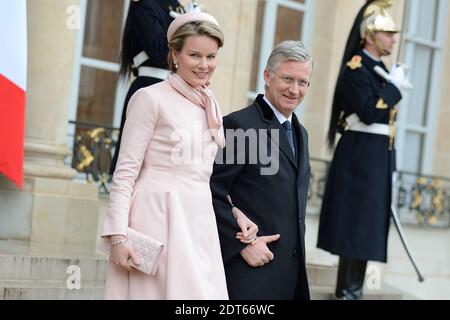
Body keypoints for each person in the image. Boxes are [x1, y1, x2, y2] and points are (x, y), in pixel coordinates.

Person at [100, 11, 256, 300]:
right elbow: (125, 172)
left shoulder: (209, 103)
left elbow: (202, 173)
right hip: (157, 216)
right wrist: (118, 236)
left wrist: (235, 211)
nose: (204, 65)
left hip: (200, 219)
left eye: (211, 57)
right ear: (174, 54)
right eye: (194, 55)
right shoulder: (150, 98)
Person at [316, 0, 412, 300]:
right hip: (360, 156)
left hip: (375, 155)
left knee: (367, 224)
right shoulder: (357, 67)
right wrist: (394, 89)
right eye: (388, 33)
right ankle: (348, 290)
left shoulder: (378, 70)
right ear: (370, 34)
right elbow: (370, 112)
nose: (393, 39)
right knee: (357, 223)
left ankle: (354, 289)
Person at [210, 40, 313, 300]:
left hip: (290, 278)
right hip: (249, 276)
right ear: (267, 76)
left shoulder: (301, 133)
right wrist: (240, 246)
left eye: (302, 82)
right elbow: (211, 192)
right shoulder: (239, 125)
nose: (294, 89)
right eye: (287, 79)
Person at [109, 0, 185, 175]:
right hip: (150, 84)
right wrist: (185, 27)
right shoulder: (145, 5)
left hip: (174, 87)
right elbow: (159, 52)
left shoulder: (176, 6)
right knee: (136, 161)